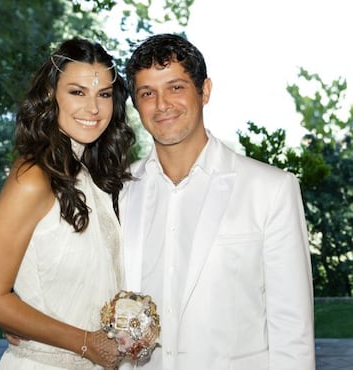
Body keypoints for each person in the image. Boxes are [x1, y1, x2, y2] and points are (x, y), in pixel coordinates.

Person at [119, 33, 315, 369]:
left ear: (204, 91)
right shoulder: (118, 191)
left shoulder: (271, 189)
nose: (162, 104)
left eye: (175, 87)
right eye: (147, 93)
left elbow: (292, 327)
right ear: (136, 105)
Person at [0, 37, 135, 370]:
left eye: (103, 94)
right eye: (77, 92)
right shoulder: (33, 177)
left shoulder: (98, 178)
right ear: (50, 95)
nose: (93, 108)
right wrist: (87, 344)